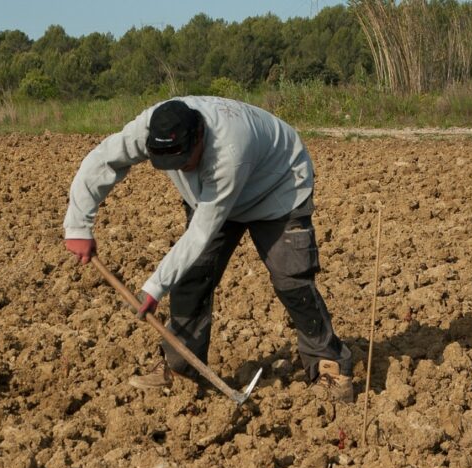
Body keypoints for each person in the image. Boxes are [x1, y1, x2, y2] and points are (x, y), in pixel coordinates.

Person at [63, 96, 353, 402]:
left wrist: (154, 288)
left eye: (185, 161)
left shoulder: (229, 150)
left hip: (278, 188)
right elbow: (101, 160)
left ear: (199, 136)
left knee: (292, 280)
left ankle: (331, 368)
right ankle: (180, 369)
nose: (182, 170)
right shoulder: (149, 129)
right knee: (191, 277)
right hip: (211, 196)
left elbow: (202, 230)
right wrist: (78, 225)